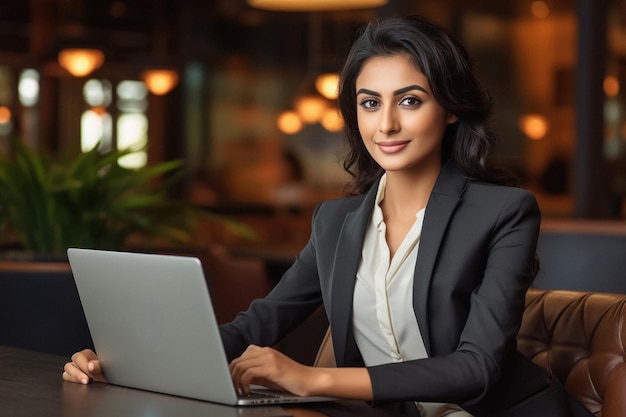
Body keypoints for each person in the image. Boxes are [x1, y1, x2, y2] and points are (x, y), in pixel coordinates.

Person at [62, 16, 591, 417]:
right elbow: (260, 322)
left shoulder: (503, 212)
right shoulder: (336, 222)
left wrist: (312, 380)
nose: (385, 123)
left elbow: (476, 369)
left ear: (450, 108)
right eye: (368, 102)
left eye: (409, 101)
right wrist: (125, 361)